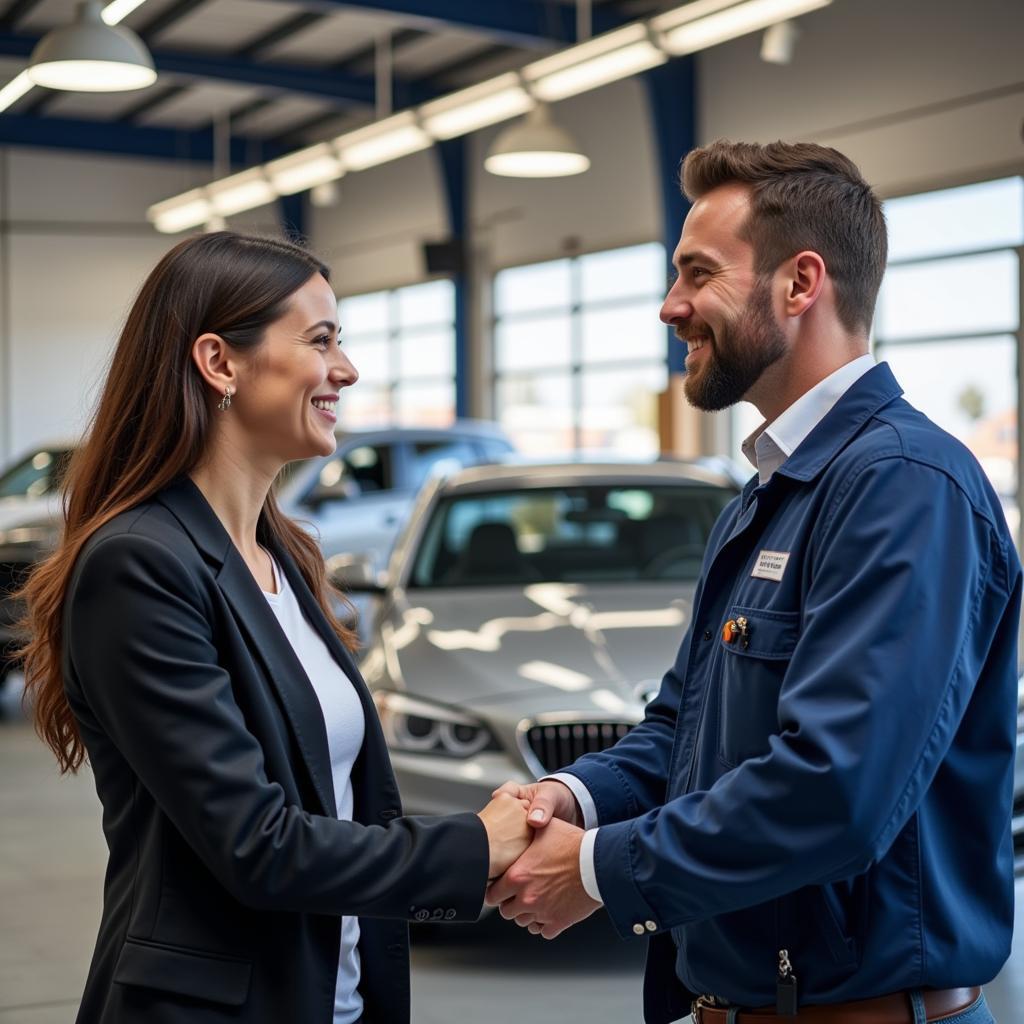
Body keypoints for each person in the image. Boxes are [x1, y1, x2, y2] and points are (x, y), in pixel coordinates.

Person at [487, 140, 1021, 1024]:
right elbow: (684, 729)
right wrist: (571, 796)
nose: (671, 306)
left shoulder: (903, 487)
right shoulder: (770, 494)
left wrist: (592, 870)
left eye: (698, 273)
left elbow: (835, 791)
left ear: (799, 283)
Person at [18, 232, 531, 1024]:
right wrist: (474, 845)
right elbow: (254, 843)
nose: (347, 369)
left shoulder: (278, 554)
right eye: (321, 339)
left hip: (336, 996)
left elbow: (333, 803)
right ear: (220, 362)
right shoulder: (138, 566)